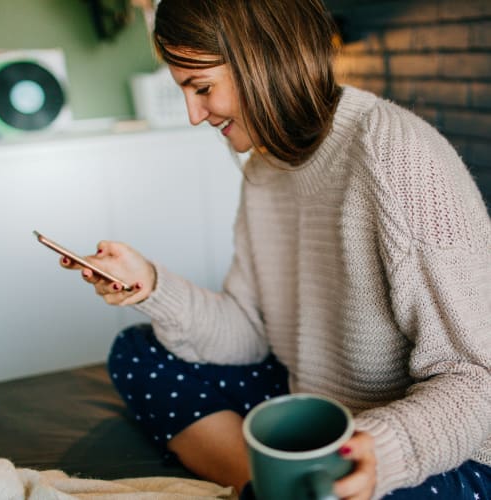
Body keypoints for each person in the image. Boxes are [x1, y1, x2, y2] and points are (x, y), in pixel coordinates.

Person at [61, 0, 491, 498]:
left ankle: (288, 486)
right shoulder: (264, 168)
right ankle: (277, 487)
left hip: (433, 449)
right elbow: (249, 331)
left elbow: (479, 378)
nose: (194, 115)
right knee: (137, 350)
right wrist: (151, 286)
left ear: (263, 60)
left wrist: (383, 451)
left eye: (201, 89)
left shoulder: (395, 154)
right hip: (315, 406)